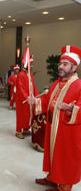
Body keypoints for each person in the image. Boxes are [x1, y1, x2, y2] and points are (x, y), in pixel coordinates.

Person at [28, 45, 81, 191]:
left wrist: (72, 109)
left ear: (74, 67)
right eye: (60, 63)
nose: (60, 67)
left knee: (65, 158)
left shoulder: (79, 85)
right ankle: (52, 178)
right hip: (52, 128)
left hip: (67, 131)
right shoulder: (56, 84)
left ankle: (64, 186)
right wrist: (36, 101)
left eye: (65, 64)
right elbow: (46, 102)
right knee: (53, 155)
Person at [15, 55, 39, 139]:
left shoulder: (30, 75)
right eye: (31, 64)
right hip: (22, 100)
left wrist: (37, 96)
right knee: (21, 115)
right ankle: (18, 131)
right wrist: (26, 98)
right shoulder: (21, 75)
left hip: (29, 100)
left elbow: (33, 86)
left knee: (28, 115)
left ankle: (25, 129)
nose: (32, 66)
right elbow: (21, 89)